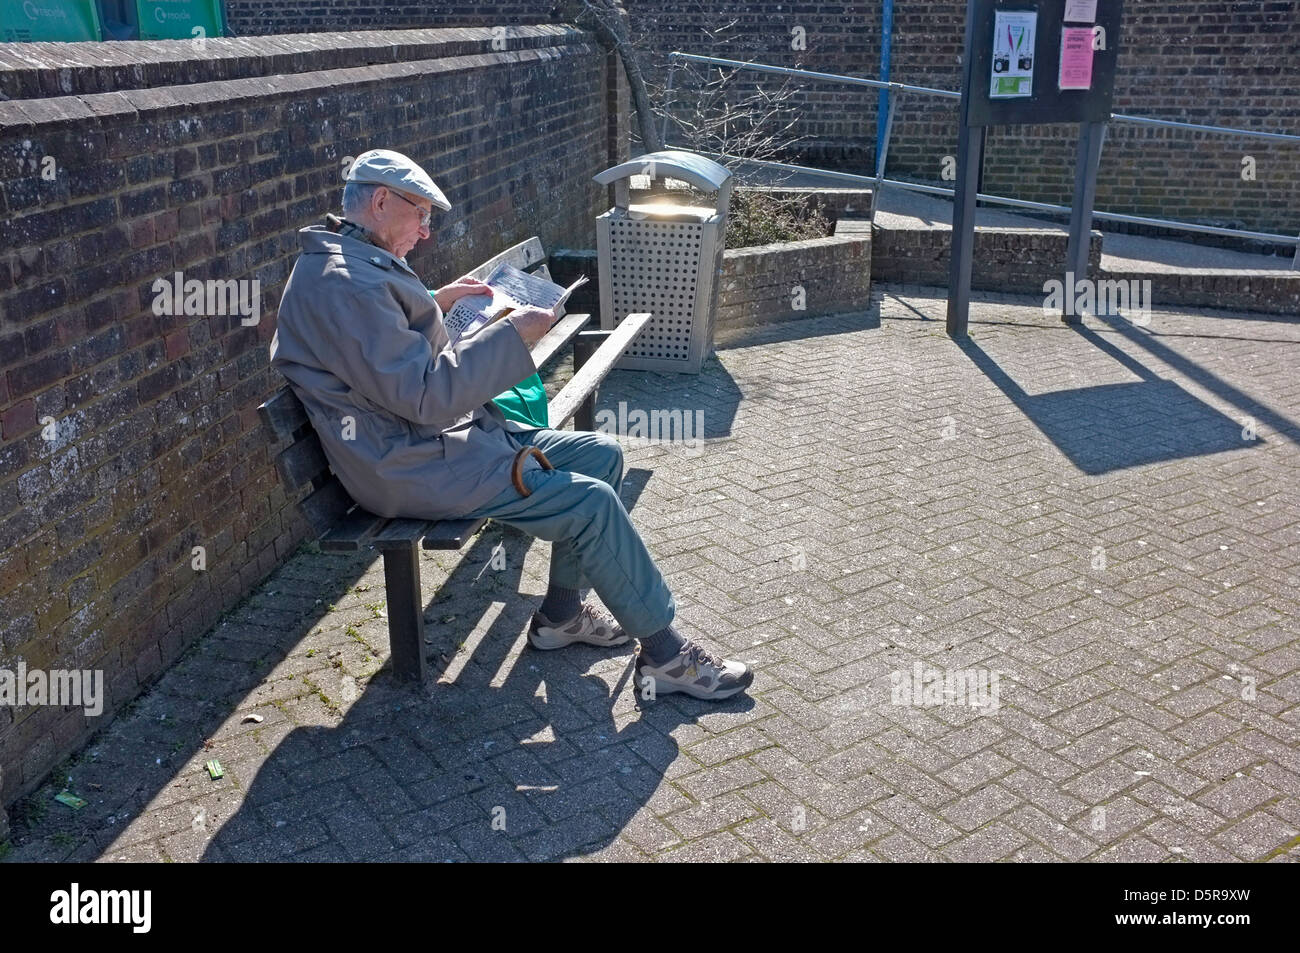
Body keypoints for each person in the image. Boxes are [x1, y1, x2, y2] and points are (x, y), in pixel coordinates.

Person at [269, 148, 753, 701]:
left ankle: (561, 618)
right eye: (421, 213)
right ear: (381, 201)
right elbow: (424, 397)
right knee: (589, 502)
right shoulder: (345, 282)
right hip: (410, 462)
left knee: (601, 455)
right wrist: (509, 336)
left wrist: (435, 300)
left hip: (432, 440)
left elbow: (378, 345)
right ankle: (668, 657)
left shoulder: (345, 259)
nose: (426, 232)